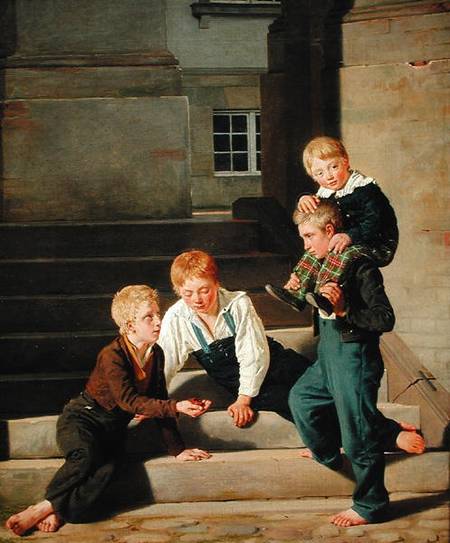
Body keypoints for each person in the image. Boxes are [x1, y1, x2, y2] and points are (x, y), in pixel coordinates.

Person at [6, 285, 211, 536]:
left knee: (107, 471)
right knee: (85, 456)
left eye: (158, 314)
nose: (158, 321)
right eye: (149, 316)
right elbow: (128, 401)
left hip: (112, 429)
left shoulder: (155, 353)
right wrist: (177, 406)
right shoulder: (112, 355)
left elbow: (158, 398)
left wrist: (177, 449)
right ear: (129, 325)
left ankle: (58, 510)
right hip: (82, 420)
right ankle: (41, 508)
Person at [287, 201, 423, 528]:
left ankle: (370, 504)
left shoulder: (361, 266)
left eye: (309, 236)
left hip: (355, 357)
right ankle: (329, 451)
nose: (305, 245)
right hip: (328, 354)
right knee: (301, 401)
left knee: (358, 434)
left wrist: (346, 311)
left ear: (330, 231)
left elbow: (384, 318)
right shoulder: (320, 263)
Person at [159, 250, 312, 428]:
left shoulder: (238, 303)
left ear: (216, 284)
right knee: (297, 401)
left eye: (204, 291)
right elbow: (165, 361)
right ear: (177, 290)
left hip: (273, 363)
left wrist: (243, 400)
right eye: (188, 293)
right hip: (252, 386)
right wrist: (151, 402)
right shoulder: (176, 317)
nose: (197, 299)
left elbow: (253, 353)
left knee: (320, 386)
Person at [266, 136, 399, 316]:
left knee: (340, 253)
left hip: (376, 243)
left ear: (345, 162)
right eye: (319, 173)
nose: (328, 176)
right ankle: (296, 293)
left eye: (333, 167)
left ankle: (327, 298)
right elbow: (320, 211)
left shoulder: (365, 190)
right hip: (346, 240)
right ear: (312, 176)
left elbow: (375, 222)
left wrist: (350, 236)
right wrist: (305, 198)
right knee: (312, 253)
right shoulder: (327, 192)